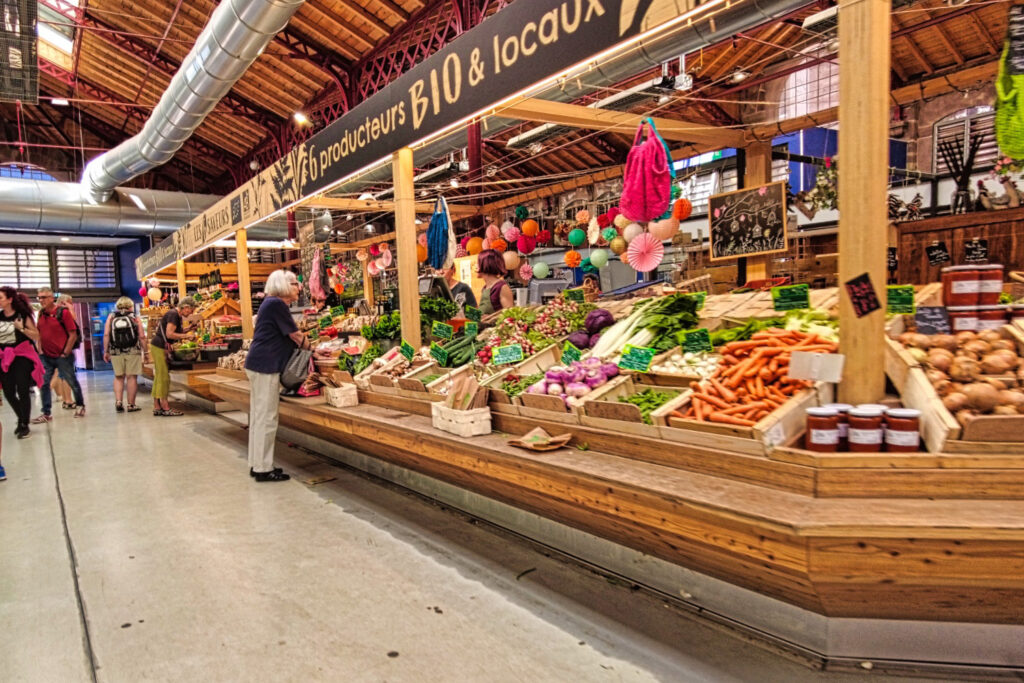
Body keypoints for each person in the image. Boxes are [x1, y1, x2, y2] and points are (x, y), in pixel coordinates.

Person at [244, 270, 309, 482]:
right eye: (294, 283)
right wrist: (313, 349)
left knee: (258, 416)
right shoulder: (276, 304)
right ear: (281, 285)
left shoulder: (269, 304)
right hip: (266, 366)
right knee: (267, 417)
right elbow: (295, 335)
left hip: (258, 364)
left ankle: (257, 463)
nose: (298, 287)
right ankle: (263, 468)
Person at [33, 287, 86, 421]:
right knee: (44, 383)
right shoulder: (41, 314)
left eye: (44, 297)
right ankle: (46, 413)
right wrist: (40, 350)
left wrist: (65, 352)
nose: (41, 300)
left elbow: (72, 333)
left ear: (52, 298)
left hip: (62, 355)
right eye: (39, 297)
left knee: (71, 380)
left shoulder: (63, 313)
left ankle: (80, 405)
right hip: (46, 355)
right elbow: (39, 333)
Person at [0, 287, 43, 439]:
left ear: (10, 299)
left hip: (21, 357)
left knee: (23, 390)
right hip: (5, 357)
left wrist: (22, 328)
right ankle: (22, 417)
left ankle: (24, 424)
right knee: (8, 392)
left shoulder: (22, 315)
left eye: (1, 298)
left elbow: (36, 334)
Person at [149, 296, 196, 417]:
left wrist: (188, 329)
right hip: (160, 347)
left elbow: (174, 331)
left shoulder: (174, 314)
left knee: (159, 376)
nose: (192, 313)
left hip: (157, 346)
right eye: (191, 310)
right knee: (164, 377)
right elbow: (169, 334)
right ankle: (165, 407)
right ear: (185, 307)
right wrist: (186, 337)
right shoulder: (173, 314)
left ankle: (157, 406)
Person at [103, 296, 146, 413]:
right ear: (130, 306)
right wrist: (145, 351)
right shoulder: (134, 317)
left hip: (115, 351)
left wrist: (106, 351)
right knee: (131, 377)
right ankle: (131, 405)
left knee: (118, 377)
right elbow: (141, 336)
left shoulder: (111, 317)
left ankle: (118, 402)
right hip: (133, 350)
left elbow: (106, 334)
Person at [51, 294, 76, 409]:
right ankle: (68, 399)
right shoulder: (63, 312)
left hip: (54, 347)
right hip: (64, 347)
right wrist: (70, 309)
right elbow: (73, 323)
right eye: (70, 302)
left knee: (60, 374)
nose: (72, 304)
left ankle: (65, 399)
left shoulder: (51, 313)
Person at [477, 249, 513, 315]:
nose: (476, 267)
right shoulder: (485, 288)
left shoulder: (502, 287)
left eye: (478, 263)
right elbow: (483, 313)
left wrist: (489, 319)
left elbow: (509, 316)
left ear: (485, 264)